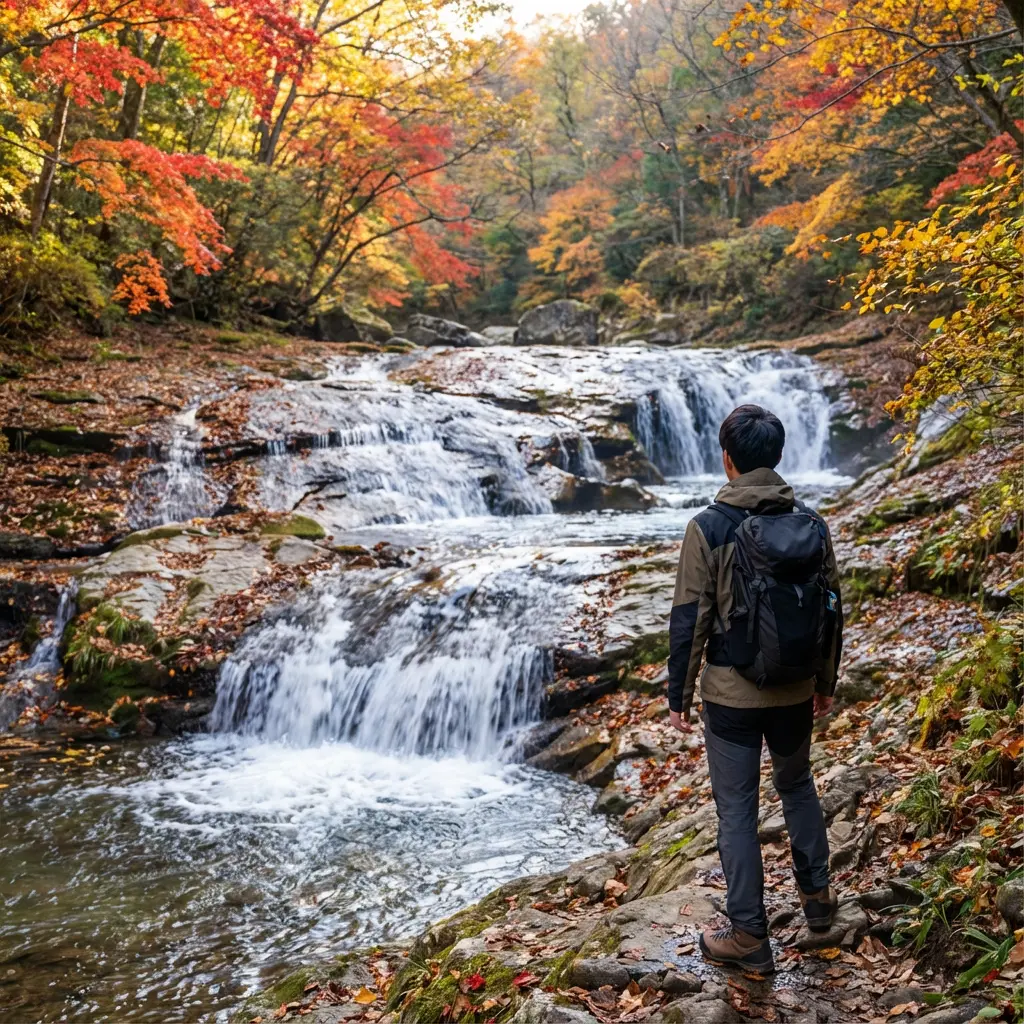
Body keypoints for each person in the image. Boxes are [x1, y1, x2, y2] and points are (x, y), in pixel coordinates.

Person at [667, 404, 843, 975]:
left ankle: (749, 936)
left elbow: (689, 618)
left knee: (737, 812)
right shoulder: (812, 524)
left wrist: (678, 694)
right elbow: (833, 610)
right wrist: (825, 682)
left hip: (730, 697)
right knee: (798, 788)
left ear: (727, 459)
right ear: (778, 457)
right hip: (795, 691)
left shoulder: (709, 527)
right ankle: (818, 905)